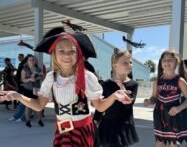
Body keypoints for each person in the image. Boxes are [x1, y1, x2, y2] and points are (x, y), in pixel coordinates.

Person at [0, 28, 133, 147]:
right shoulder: (51, 77)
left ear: (78, 54)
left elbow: (99, 106)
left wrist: (114, 96)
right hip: (62, 132)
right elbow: (39, 105)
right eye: (61, 51)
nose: (67, 55)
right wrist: (18, 96)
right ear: (54, 54)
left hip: (83, 132)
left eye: (71, 51)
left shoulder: (87, 76)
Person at [144, 49, 187, 147]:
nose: (166, 62)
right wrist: (149, 101)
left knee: (173, 144)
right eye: (164, 60)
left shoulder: (180, 80)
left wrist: (179, 108)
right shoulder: (157, 80)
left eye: (170, 60)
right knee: (159, 143)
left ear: (177, 62)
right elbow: (154, 97)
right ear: (161, 63)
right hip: (159, 115)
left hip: (173, 116)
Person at [93, 50, 139, 147]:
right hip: (107, 124)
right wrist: (96, 119)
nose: (129, 65)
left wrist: (121, 86)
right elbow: (101, 104)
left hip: (123, 125)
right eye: (125, 62)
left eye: (130, 62)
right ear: (115, 65)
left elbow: (129, 103)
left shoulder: (133, 84)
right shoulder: (106, 84)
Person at [21, 54, 44, 127]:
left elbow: (42, 77)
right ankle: (28, 121)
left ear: (34, 61)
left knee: (39, 105)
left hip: (37, 89)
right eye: (30, 60)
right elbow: (23, 80)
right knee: (28, 106)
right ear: (27, 61)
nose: (31, 61)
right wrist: (30, 79)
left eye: (32, 60)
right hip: (27, 89)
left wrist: (38, 78)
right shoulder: (25, 69)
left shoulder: (38, 69)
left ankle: (39, 120)